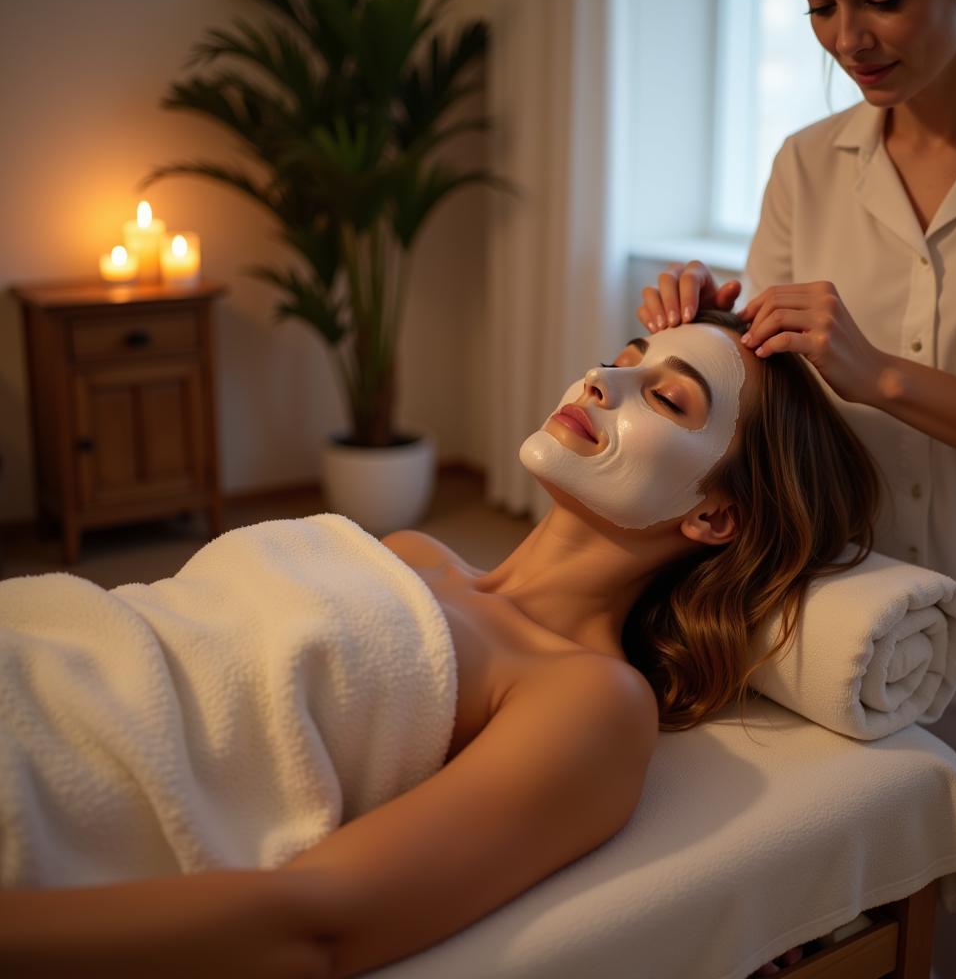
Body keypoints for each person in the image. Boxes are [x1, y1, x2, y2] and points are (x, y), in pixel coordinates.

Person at [0, 312, 879, 978]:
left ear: (714, 514)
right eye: (626, 357)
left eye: (667, 396)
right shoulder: (414, 551)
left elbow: (319, 923)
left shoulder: (590, 698)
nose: (601, 380)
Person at [638, 0, 956, 976]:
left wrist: (884, 376)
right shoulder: (806, 164)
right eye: (817, 3)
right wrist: (711, 323)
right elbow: (780, 391)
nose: (845, 35)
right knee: (838, 924)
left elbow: (859, 370)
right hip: (828, 608)